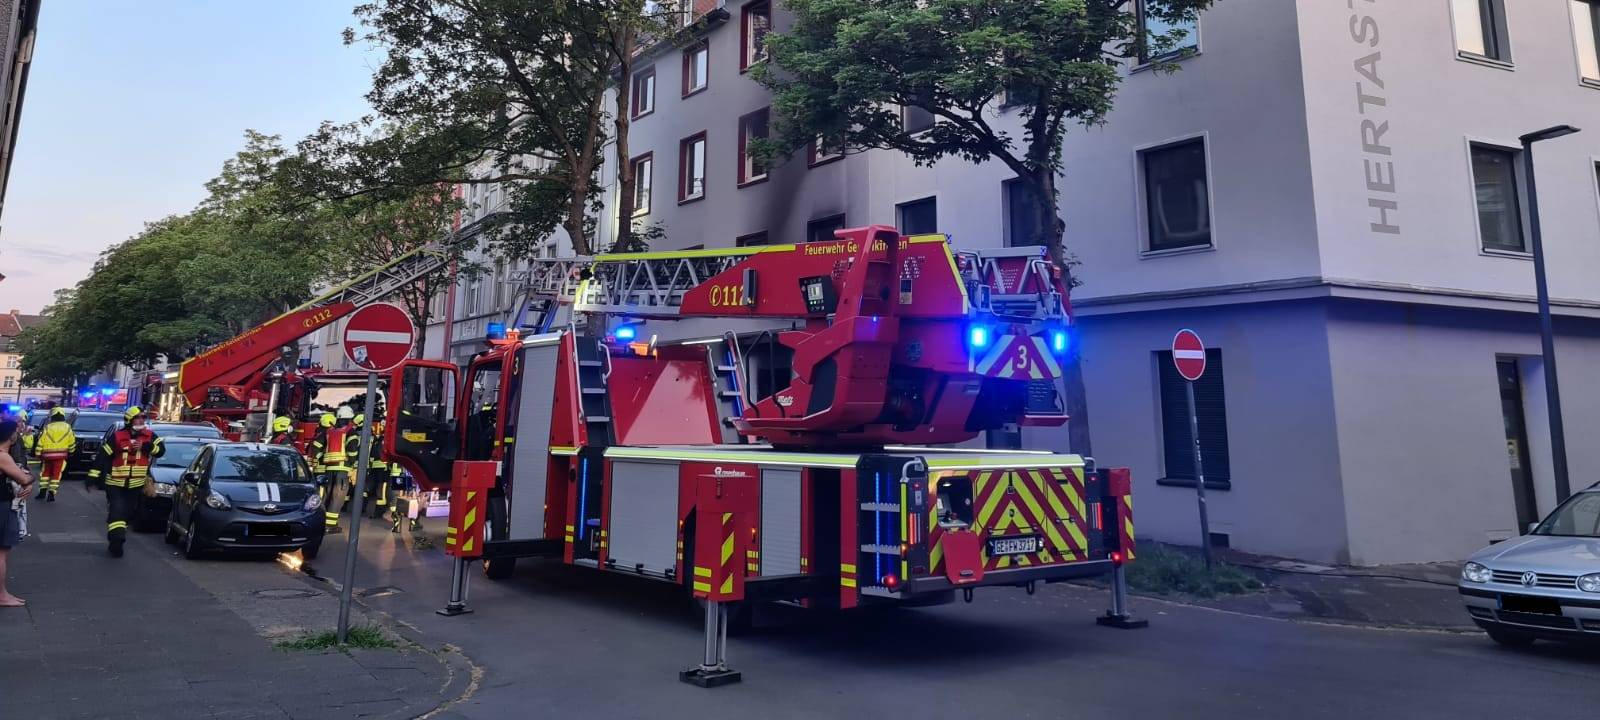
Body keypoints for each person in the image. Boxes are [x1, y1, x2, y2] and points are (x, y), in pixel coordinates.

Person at [99, 406, 164, 558]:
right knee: (117, 510)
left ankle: (115, 534)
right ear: (129, 420)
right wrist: (95, 476)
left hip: (135, 486)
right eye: (137, 417)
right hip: (115, 483)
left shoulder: (150, 436)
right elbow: (103, 455)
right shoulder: (117, 436)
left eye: (143, 417)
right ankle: (117, 540)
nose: (141, 420)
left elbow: (161, 451)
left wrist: (146, 446)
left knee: (125, 514)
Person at [0, 419, 36, 606]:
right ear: (10, 435)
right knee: (1, 553)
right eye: (16, 431)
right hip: (2, 506)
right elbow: (24, 478)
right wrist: (30, 479)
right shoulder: (3, 456)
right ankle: (1, 595)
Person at [32, 408, 76, 502]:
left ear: (53, 416)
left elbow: (41, 441)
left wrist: (38, 453)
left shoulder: (48, 427)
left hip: (47, 456)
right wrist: (72, 451)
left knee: (45, 474)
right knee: (56, 475)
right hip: (60, 456)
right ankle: (51, 494)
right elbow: (71, 441)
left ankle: (42, 492)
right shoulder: (67, 427)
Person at [352, 414, 390, 519]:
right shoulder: (378, 438)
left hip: (379, 468)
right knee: (375, 489)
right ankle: (375, 512)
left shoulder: (382, 439)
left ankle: (377, 512)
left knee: (376, 490)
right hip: (376, 468)